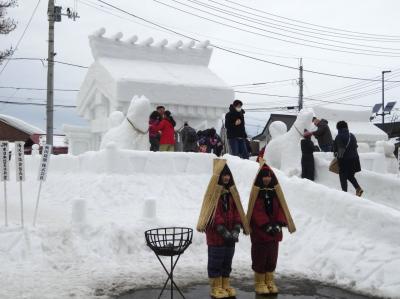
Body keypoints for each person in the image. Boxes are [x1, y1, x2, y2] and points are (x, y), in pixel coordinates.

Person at [197, 159, 250, 299]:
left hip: (230, 236)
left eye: (228, 175)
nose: (226, 177)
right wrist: (222, 230)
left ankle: (225, 284)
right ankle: (215, 287)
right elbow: (213, 214)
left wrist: (237, 228)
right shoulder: (212, 194)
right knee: (216, 260)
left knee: (227, 260)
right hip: (216, 236)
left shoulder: (231, 193)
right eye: (223, 175)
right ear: (219, 176)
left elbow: (236, 211)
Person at [246, 160, 296, 295]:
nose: (267, 178)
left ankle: (269, 281)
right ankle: (260, 282)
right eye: (264, 176)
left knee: (272, 257)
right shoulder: (256, 194)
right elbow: (256, 211)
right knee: (260, 257)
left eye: (269, 176)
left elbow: (281, 208)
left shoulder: (275, 193)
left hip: (274, 234)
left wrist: (279, 223)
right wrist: (266, 224)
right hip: (260, 233)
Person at [333, 121, 364, 197]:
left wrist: (339, 159)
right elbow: (355, 146)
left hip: (345, 160)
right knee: (350, 175)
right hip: (355, 159)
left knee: (343, 177)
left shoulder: (339, 136)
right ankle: (358, 188)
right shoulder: (352, 135)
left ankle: (345, 195)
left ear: (338, 128)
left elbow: (341, 149)